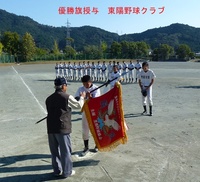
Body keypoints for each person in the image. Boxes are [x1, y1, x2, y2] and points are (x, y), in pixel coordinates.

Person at [45, 77, 86, 178]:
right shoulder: (67, 97)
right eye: (66, 85)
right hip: (62, 128)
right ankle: (67, 171)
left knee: (54, 151)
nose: (66, 87)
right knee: (65, 151)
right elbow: (79, 106)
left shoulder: (49, 98)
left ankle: (56, 170)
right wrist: (82, 98)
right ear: (63, 86)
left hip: (51, 127)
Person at [75, 75, 101, 156]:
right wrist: (81, 97)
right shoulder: (80, 89)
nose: (85, 85)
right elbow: (76, 98)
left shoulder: (96, 88)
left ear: (91, 82)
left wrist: (90, 97)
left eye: (87, 83)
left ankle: (97, 144)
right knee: (85, 129)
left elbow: (96, 101)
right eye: (84, 83)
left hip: (95, 112)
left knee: (96, 127)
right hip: (85, 111)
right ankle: (86, 147)